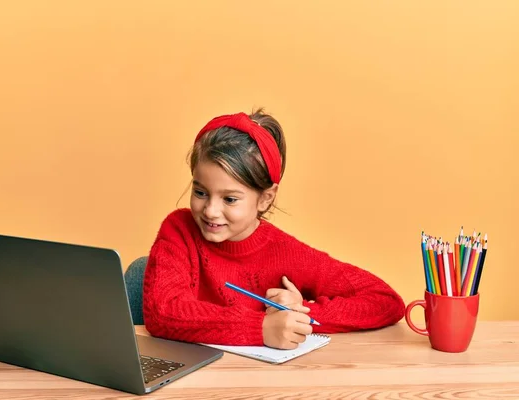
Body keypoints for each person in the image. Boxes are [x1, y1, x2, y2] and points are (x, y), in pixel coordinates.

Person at [142, 108, 405, 349]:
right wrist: (261, 327)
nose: (210, 210)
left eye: (230, 199)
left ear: (265, 198)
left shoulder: (286, 253)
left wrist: (302, 315)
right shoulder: (179, 230)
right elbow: (162, 313)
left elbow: (385, 301)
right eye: (200, 192)